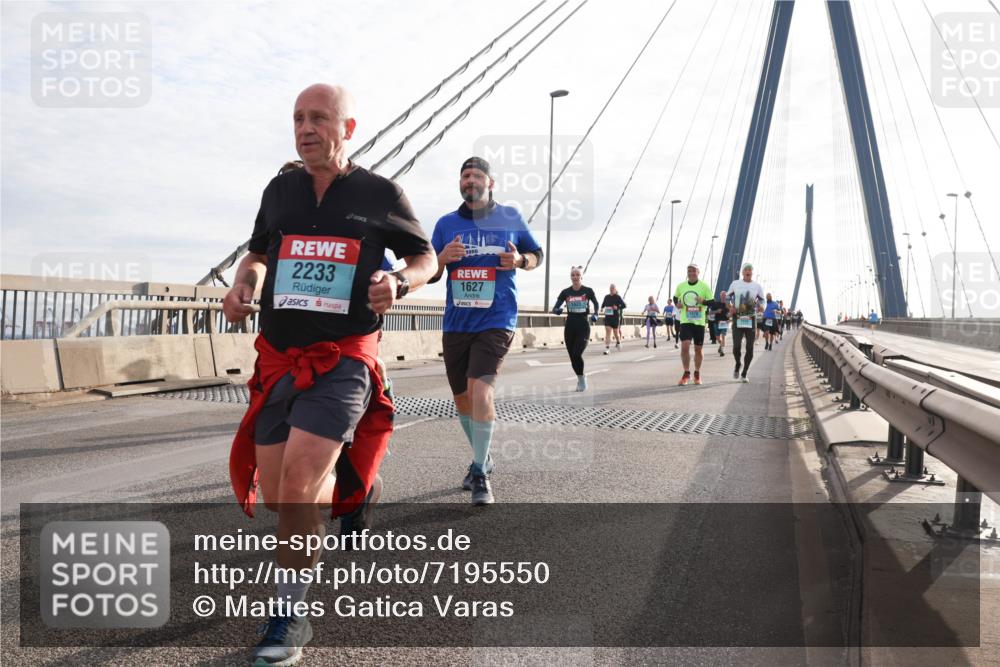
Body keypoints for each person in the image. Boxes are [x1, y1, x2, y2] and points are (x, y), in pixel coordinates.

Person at [223, 84, 436, 666]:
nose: (306, 128)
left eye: (319, 118)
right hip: (279, 357)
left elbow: (426, 257)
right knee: (278, 497)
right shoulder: (281, 189)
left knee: (295, 489)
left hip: (341, 358)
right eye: (298, 118)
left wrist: (401, 282)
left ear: (349, 128)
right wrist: (246, 283)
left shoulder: (379, 193)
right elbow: (260, 253)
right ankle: (355, 483)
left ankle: (289, 617)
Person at [430, 156, 543, 505]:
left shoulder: (509, 217)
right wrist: (442, 259)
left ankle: (479, 472)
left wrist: (520, 261)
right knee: (462, 399)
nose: (470, 181)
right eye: (465, 175)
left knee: (480, 391)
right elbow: (429, 273)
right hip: (456, 322)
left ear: (490, 183)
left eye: (477, 175)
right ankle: (484, 457)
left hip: (497, 319)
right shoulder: (446, 224)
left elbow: (536, 254)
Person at [552, 266, 600, 391]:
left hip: (583, 325)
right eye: (573, 275)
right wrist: (557, 310)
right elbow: (555, 308)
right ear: (571, 277)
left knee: (577, 354)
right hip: (570, 326)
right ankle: (580, 378)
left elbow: (596, 303)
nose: (575, 277)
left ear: (581, 277)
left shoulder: (588, 291)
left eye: (577, 275)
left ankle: (582, 380)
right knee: (572, 357)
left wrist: (596, 314)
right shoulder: (565, 292)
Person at [674, 263, 714, 385]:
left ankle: (697, 372)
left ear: (698, 272)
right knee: (685, 346)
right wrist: (677, 304)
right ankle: (686, 373)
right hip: (686, 321)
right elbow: (675, 298)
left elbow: (712, 302)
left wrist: (704, 301)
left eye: (693, 271)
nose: (691, 273)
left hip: (699, 322)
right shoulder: (681, 286)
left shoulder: (704, 287)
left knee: (698, 349)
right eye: (689, 271)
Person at [727, 263, 765, 382]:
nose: (748, 271)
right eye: (746, 269)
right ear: (742, 272)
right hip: (737, 317)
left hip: (751, 318)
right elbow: (728, 297)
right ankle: (738, 363)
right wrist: (730, 307)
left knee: (750, 348)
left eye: (750, 270)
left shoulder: (757, 286)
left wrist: (762, 306)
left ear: (752, 273)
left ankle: (744, 373)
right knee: (736, 346)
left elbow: (762, 300)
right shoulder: (735, 284)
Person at [601, 285, 626, 354]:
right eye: (610, 288)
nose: (611, 289)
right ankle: (607, 348)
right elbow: (603, 304)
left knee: (616, 334)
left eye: (613, 288)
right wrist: (602, 308)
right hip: (608, 317)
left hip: (615, 317)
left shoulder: (618, 297)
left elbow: (624, 305)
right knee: (608, 333)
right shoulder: (606, 297)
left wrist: (617, 307)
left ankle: (618, 341)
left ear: (615, 289)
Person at [707, 290, 729, 356]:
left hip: (724, 323)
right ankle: (720, 345)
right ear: (720, 296)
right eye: (722, 295)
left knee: (723, 336)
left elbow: (732, 313)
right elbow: (710, 313)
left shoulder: (728, 305)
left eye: (725, 295)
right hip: (717, 322)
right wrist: (716, 311)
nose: (723, 297)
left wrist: (729, 319)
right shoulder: (716, 304)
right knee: (718, 338)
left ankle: (722, 350)